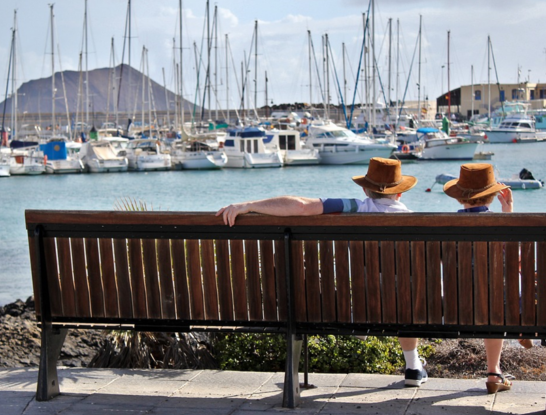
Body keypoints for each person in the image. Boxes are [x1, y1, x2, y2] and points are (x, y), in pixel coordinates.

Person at [216, 157, 429, 387]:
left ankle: (363, 319)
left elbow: (300, 206)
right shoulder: (416, 220)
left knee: (375, 286)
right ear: (400, 194)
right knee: (404, 291)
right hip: (406, 308)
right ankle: (413, 367)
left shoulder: (355, 208)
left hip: (360, 303)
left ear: (366, 190)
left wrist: (248, 205)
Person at [443, 163, 525, 394]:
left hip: (456, 304)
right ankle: (495, 367)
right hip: (501, 304)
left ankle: (495, 370)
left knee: (489, 295)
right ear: (492, 196)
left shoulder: (446, 226)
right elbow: (516, 261)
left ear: (460, 198)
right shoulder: (500, 225)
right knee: (497, 297)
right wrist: (508, 213)